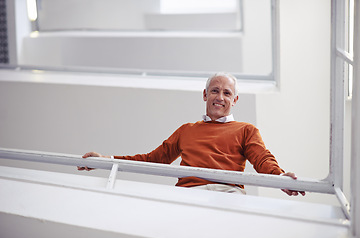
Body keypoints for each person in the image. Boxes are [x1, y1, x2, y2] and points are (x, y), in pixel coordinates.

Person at [80, 72, 305, 196]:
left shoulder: (246, 130)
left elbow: (261, 158)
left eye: (227, 93)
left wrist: (278, 178)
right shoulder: (187, 130)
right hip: (188, 194)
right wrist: (106, 161)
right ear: (205, 95)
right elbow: (152, 159)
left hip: (226, 193)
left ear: (234, 100)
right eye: (215, 90)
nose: (220, 97)